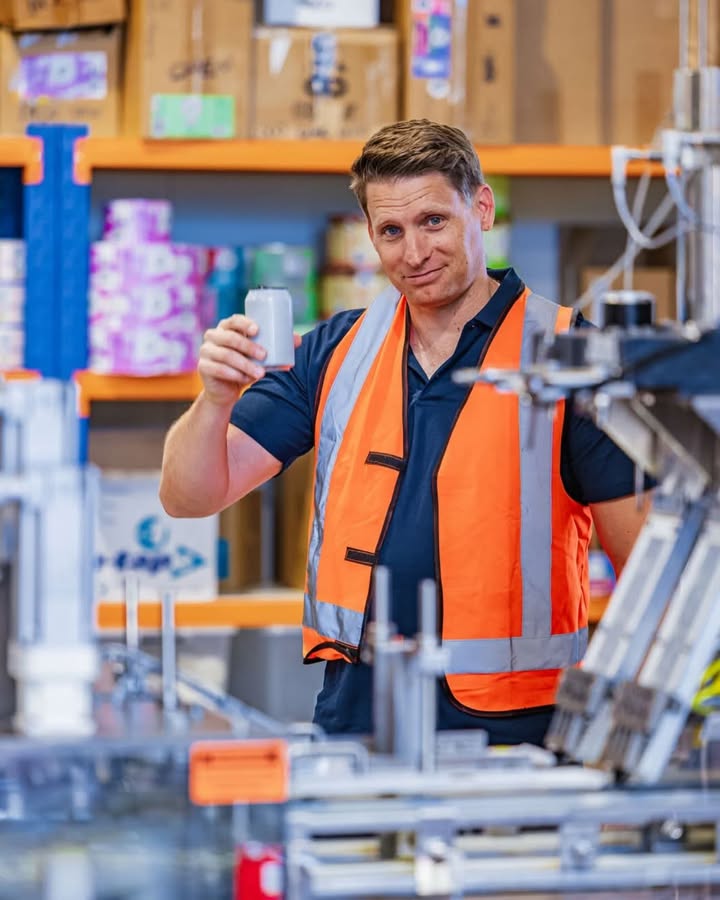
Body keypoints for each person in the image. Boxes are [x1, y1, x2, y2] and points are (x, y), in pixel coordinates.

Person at [160, 118, 650, 746]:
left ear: (482, 207)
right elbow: (190, 496)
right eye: (391, 231)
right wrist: (215, 398)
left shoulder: (570, 358)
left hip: (515, 735)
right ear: (369, 235)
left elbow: (646, 576)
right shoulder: (336, 350)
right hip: (357, 720)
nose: (413, 253)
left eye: (434, 222)